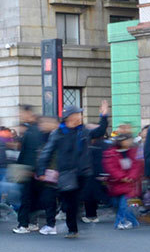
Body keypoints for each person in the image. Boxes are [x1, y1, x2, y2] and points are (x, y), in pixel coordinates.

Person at [35, 102, 108, 238]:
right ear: (69, 117)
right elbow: (47, 152)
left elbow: (100, 131)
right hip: (66, 172)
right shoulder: (58, 133)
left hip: (84, 172)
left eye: (80, 114)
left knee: (77, 199)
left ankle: (74, 222)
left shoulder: (83, 130)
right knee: (70, 202)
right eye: (77, 114)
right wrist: (41, 170)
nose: (80, 116)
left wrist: (103, 116)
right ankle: (72, 229)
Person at [104, 135, 142, 229]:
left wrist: (130, 177)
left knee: (123, 204)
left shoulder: (133, 152)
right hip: (116, 183)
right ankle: (133, 221)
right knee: (118, 204)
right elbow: (111, 167)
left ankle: (121, 222)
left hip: (130, 183)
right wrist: (121, 177)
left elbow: (137, 166)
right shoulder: (111, 153)